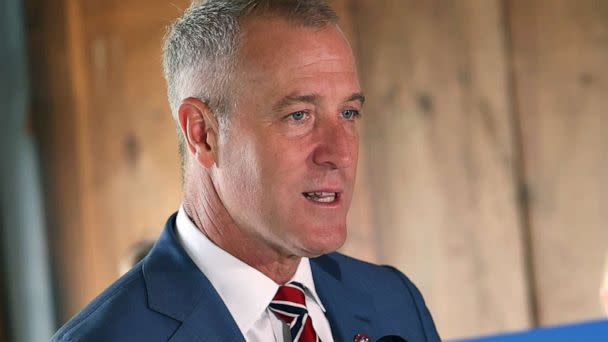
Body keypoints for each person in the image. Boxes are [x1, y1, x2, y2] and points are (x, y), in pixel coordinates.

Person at [52, 1, 440, 341]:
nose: (340, 153)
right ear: (203, 134)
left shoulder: (395, 302)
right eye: (299, 116)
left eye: (348, 113)